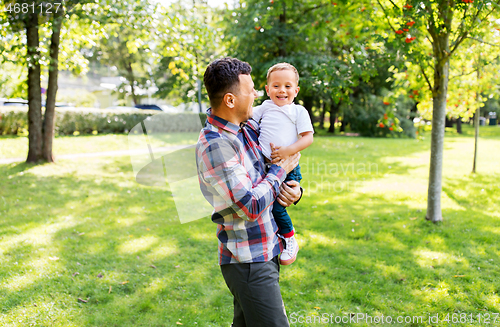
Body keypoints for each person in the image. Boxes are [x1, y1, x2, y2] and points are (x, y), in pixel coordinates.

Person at [196, 57, 302, 327]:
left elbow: (276, 164)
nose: (257, 94)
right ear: (230, 100)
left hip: (267, 249)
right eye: (251, 89)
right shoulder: (216, 146)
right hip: (248, 260)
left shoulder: (250, 128)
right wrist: (280, 172)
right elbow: (250, 206)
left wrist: (294, 190)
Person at [252, 63, 314, 265]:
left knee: (278, 207)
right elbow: (245, 117)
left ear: (296, 90)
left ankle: (290, 239)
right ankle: (274, 236)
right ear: (268, 89)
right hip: (265, 167)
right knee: (263, 203)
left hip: (288, 167)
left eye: (288, 86)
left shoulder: (298, 111)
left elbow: (308, 138)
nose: (282, 90)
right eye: (276, 86)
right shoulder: (264, 108)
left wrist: (288, 150)